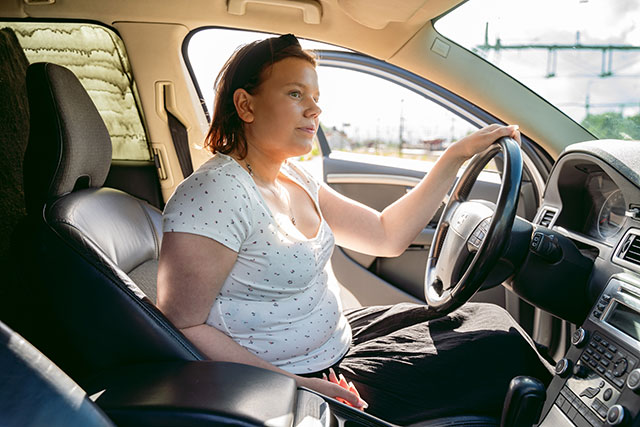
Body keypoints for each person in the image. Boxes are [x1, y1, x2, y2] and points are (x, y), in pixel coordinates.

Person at [157, 33, 552, 424]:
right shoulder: (214, 194)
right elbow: (181, 325)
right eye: (295, 94)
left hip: (342, 339)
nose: (314, 110)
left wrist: (454, 157)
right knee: (500, 353)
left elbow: (385, 234)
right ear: (246, 105)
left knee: (488, 320)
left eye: (315, 98)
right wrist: (298, 386)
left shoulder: (295, 176)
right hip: (294, 377)